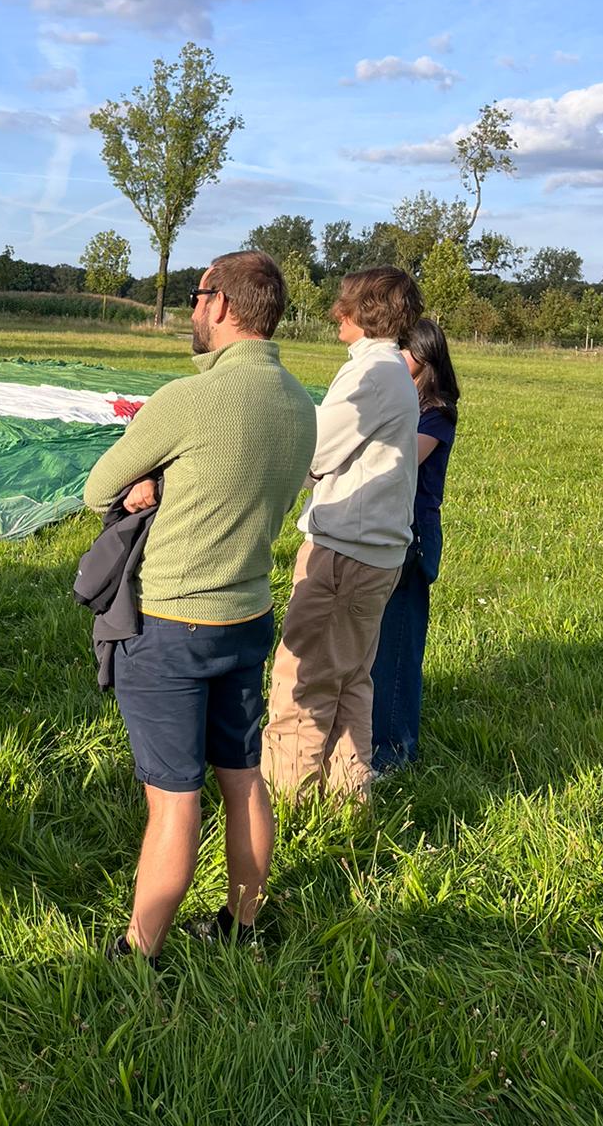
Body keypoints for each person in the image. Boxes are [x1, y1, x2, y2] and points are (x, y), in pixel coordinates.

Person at [82, 251, 317, 961]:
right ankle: (243, 928)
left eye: (196, 295)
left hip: (173, 621)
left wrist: (148, 484)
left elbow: (98, 490)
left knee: (175, 796)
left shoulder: (189, 399)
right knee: (241, 777)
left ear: (220, 304)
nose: (191, 310)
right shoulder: (302, 403)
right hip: (246, 615)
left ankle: (141, 948)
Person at [262, 266, 422, 802]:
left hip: (344, 552)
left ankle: (289, 800)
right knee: (353, 677)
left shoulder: (372, 373)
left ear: (360, 310)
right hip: (377, 551)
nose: (336, 310)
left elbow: (316, 450)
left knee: (304, 675)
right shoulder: (393, 370)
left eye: (344, 302)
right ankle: (349, 795)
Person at [370, 317, 460, 772]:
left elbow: (402, 455)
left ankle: (395, 752)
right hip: (393, 531)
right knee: (380, 642)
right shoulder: (409, 403)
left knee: (399, 646)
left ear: (421, 357)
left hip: (415, 540)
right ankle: (374, 739)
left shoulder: (436, 412)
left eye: (400, 352)